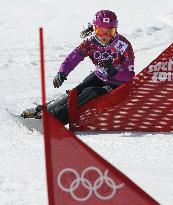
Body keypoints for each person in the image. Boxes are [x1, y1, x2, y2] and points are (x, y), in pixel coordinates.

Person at [22, 10, 135, 124]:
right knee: (78, 90)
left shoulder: (123, 46)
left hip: (118, 87)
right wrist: (62, 72)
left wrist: (113, 71)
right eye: (100, 31)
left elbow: (129, 76)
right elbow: (74, 57)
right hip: (100, 76)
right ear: (95, 29)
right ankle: (42, 111)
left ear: (115, 31)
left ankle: (55, 118)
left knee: (91, 92)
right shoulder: (90, 43)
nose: (104, 37)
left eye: (109, 32)